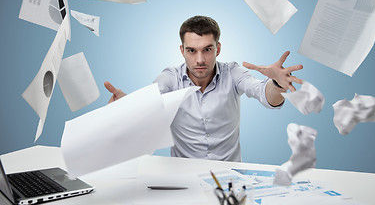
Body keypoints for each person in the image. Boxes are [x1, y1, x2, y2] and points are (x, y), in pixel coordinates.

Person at [104, 15, 303, 162]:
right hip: (183, 177)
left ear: (218, 48)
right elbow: (150, 104)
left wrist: (277, 84)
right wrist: (128, 105)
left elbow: (263, 94)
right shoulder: (170, 78)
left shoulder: (232, 73)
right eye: (191, 51)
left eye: (207, 50)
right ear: (182, 51)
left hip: (230, 178)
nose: (200, 60)